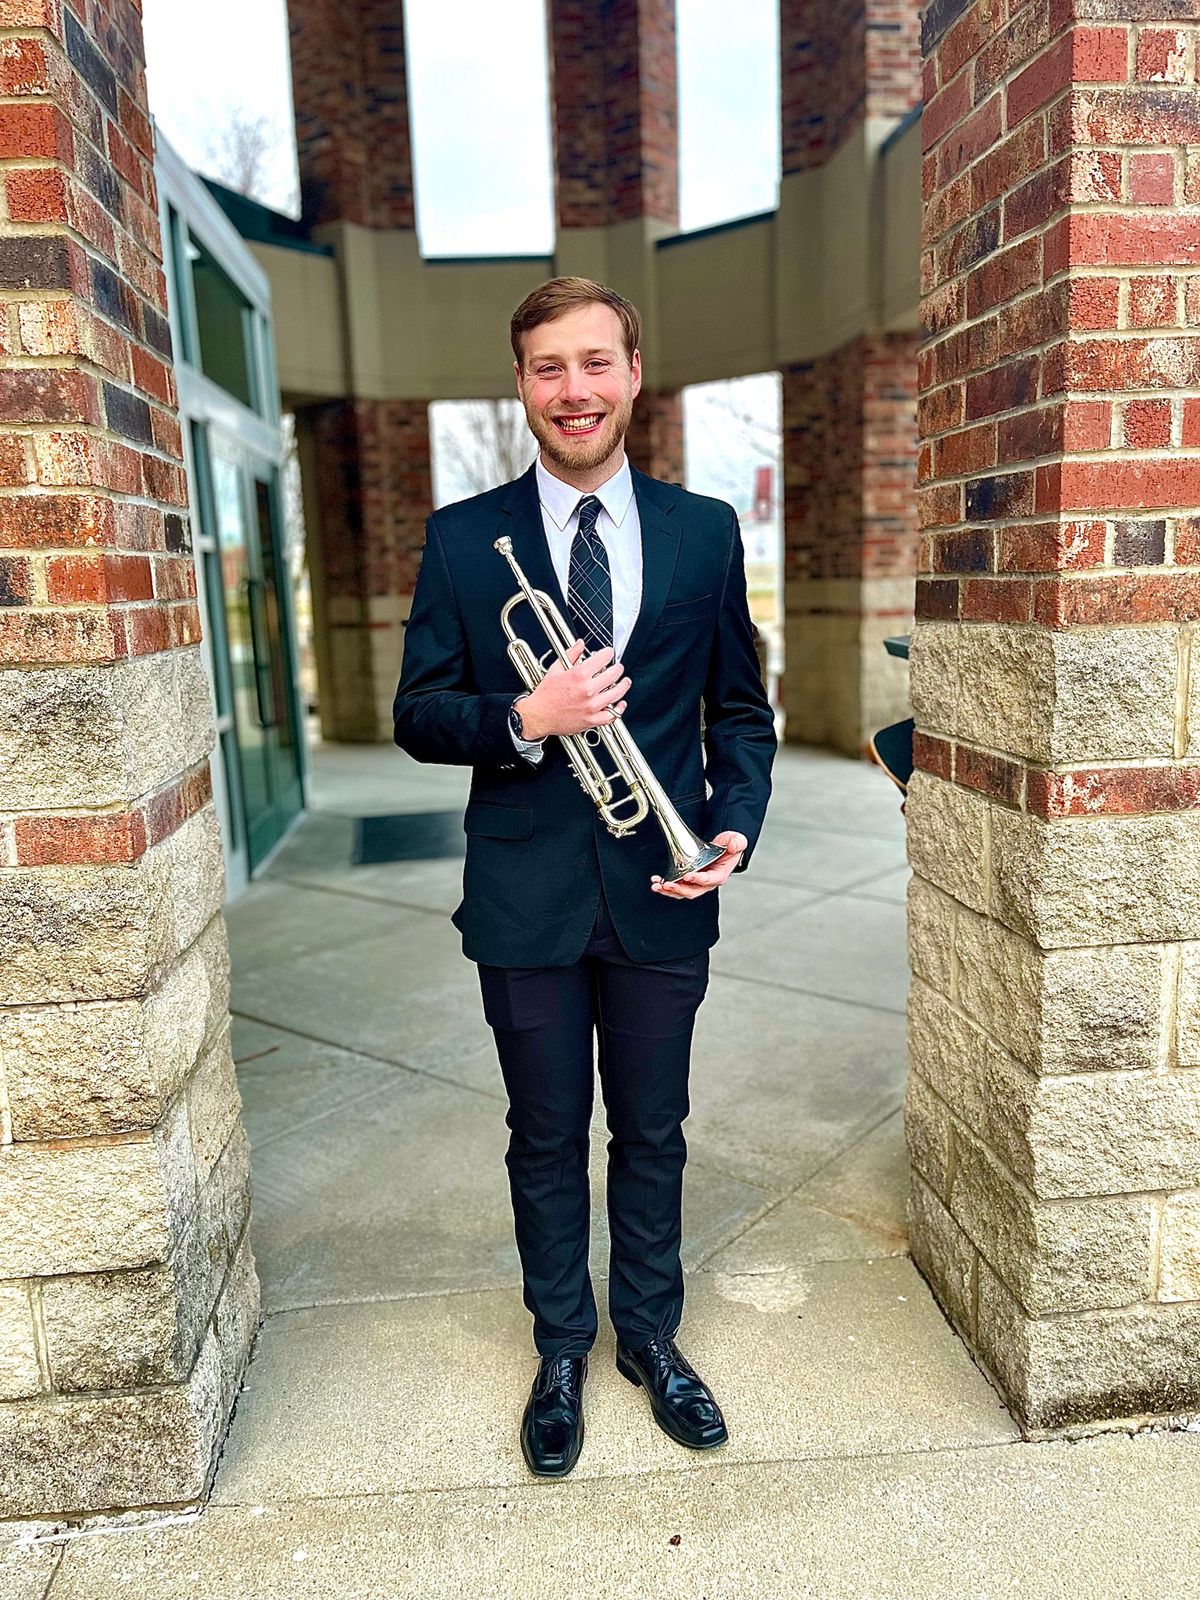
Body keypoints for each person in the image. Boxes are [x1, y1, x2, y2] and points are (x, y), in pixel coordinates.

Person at [392, 276, 776, 1478]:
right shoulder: (464, 540)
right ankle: (562, 1344)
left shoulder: (707, 528)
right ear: (522, 384)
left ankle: (649, 1336)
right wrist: (526, 713)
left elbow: (740, 711)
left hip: (663, 884)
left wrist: (736, 824)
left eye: (596, 362)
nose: (576, 389)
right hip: (525, 898)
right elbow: (415, 712)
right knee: (547, 1131)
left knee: (653, 1128)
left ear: (633, 372)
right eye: (550, 367)